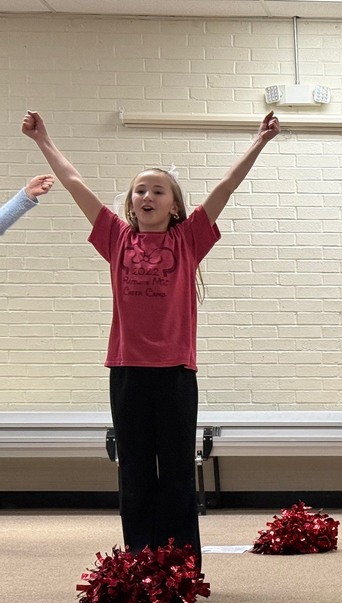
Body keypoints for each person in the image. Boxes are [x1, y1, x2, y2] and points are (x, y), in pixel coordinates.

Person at [22, 109, 279, 565]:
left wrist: (258, 141)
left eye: (158, 190)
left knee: (177, 472)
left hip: (176, 373)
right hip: (126, 371)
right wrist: (44, 139)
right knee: (136, 472)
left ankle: (181, 561)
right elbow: (76, 182)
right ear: (131, 202)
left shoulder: (189, 240)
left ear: (174, 206)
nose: (147, 195)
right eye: (140, 189)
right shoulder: (116, 238)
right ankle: (141, 559)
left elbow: (225, 188)